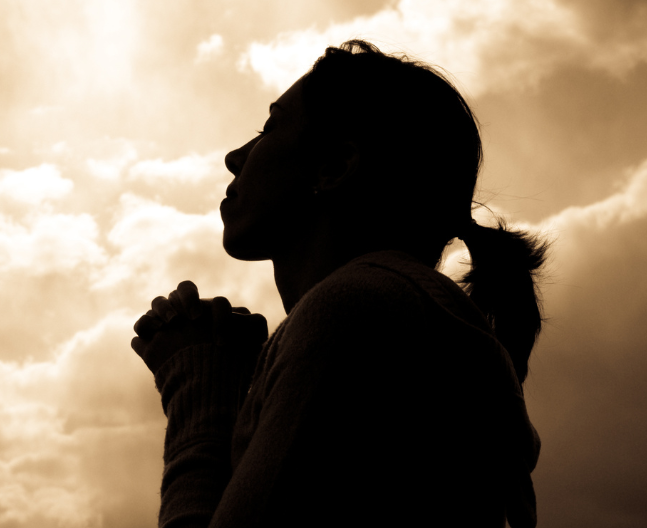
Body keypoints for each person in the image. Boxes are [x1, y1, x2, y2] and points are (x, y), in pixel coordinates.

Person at [131, 40, 546, 528]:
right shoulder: (393, 313)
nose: (234, 156)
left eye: (269, 128)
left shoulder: (356, 313)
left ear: (332, 168)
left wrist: (198, 400)